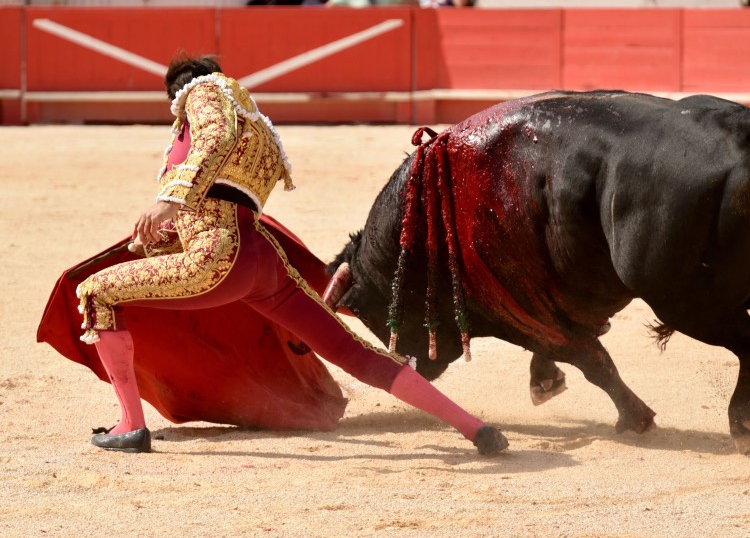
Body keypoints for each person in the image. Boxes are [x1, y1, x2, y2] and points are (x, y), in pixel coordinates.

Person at [74, 53, 509, 456]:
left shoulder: (203, 95)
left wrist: (170, 199)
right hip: (261, 260)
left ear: (177, 92)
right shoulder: (255, 123)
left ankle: (130, 425)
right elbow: (225, 194)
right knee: (352, 352)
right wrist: (164, 230)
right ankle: (472, 427)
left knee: (97, 291)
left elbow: (216, 142)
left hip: (218, 257)